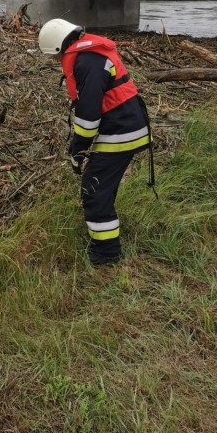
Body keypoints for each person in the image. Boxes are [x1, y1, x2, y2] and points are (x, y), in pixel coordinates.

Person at [38, 18, 153, 266]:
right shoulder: (91, 56)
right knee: (101, 186)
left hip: (121, 132)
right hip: (125, 125)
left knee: (93, 190)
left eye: (54, 57)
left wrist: (77, 149)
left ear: (58, 48)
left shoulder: (86, 63)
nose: (57, 63)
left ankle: (107, 253)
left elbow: (89, 116)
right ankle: (106, 243)